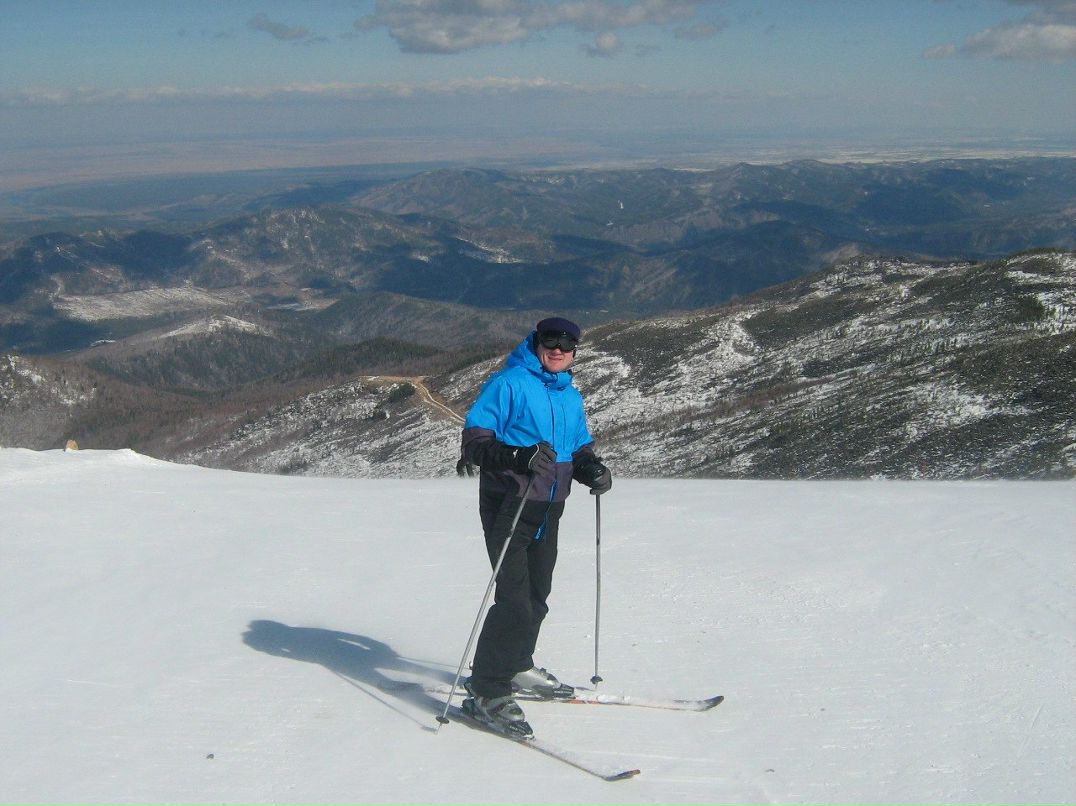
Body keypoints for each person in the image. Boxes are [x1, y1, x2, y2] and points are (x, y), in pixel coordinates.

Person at [456, 316, 612, 737]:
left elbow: (577, 448)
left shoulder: (569, 396)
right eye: (550, 340)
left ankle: (517, 664)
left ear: (575, 351)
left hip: (548, 508)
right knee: (514, 601)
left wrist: (591, 469)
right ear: (536, 342)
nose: (558, 349)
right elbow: (474, 443)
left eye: (566, 343)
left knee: (537, 595)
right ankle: (487, 689)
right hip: (509, 503)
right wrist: (516, 456)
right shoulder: (509, 384)